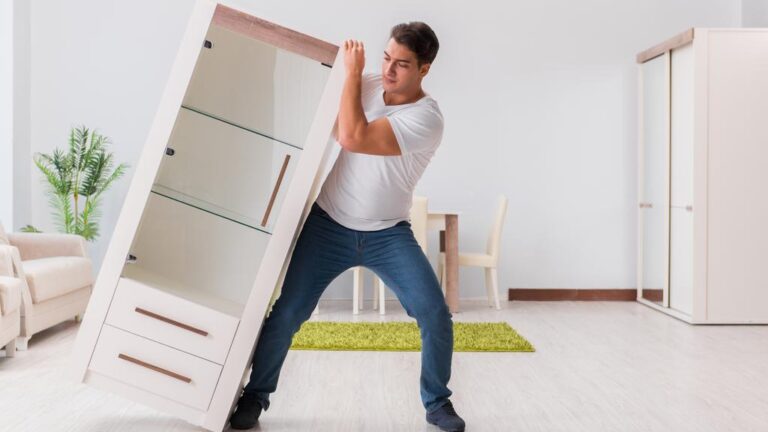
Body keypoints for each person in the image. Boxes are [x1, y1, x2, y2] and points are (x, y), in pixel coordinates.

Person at [229, 21, 465, 432]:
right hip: (329, 224)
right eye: (386, 58)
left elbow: (353, 137)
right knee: (288, 312)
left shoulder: (428, 118)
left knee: (434, 314)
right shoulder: (369, 84)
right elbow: (338, 126)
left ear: (424, 69)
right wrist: (353, 89)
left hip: (389, 233)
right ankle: (255, 396)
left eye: (402, 65)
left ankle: (437, 403)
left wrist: (353, 79)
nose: (389, 70)